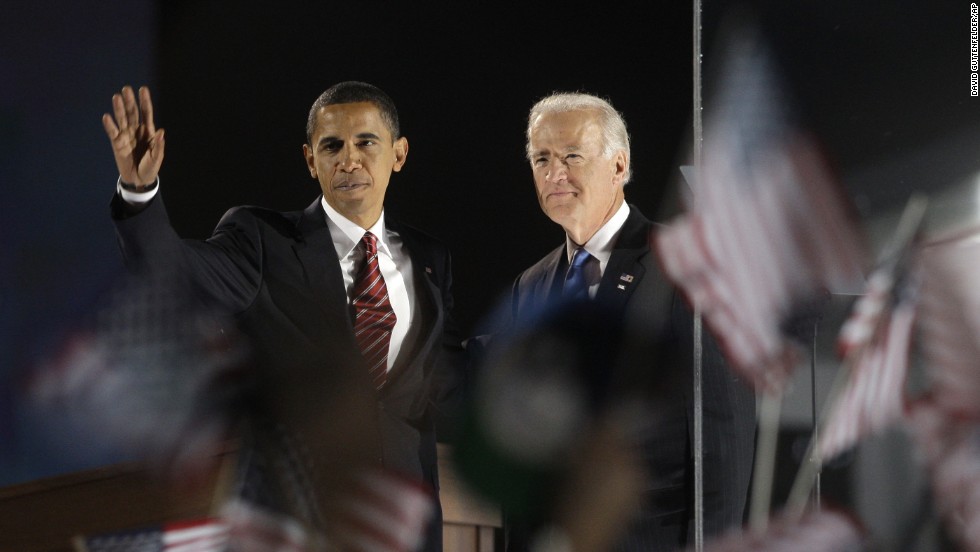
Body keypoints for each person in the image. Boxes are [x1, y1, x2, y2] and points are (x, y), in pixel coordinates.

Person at [102, 82, 465, 551]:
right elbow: (173, 275)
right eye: (331, 146)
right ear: (311, 160)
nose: (348, 160)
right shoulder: (260, 240)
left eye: (365, 142)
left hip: (402, 526)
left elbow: (451, 381)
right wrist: (138, 193)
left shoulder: (430, 257)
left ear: (399, 153)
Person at [507, 92, 757, 551]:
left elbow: (727, 430)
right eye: (541, 158)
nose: (553, 173)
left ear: (619, 166)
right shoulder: (533, 285)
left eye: (572, 156)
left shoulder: (684, 264)